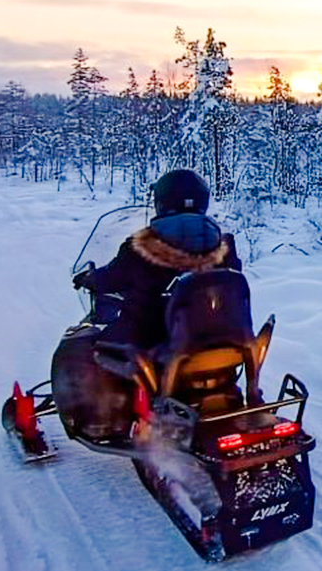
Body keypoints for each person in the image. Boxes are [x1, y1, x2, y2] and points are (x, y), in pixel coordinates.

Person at [55, 169, 241, 439]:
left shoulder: (139, 246)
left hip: (152, 335)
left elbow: (111, 279)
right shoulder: (224, 245)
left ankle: (108, 417)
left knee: (92, 346)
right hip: (220, 334)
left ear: (161, 202)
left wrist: (89, 279)